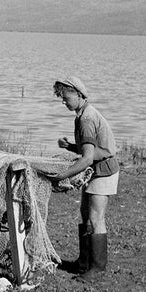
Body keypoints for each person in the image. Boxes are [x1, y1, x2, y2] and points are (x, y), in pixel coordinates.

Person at [47, 76, 119, 281]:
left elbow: (87, 158)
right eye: (60, 97)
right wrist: (70, 146)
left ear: (79, 95)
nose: (63, 101)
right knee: (85, 213)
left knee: (96, 218)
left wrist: (61, 176)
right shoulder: (82, 115)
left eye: (65, 96)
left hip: (103, 170)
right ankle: (84, 262)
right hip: (97, 168)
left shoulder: (86, 118)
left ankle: (97, 269)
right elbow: (89, 149)